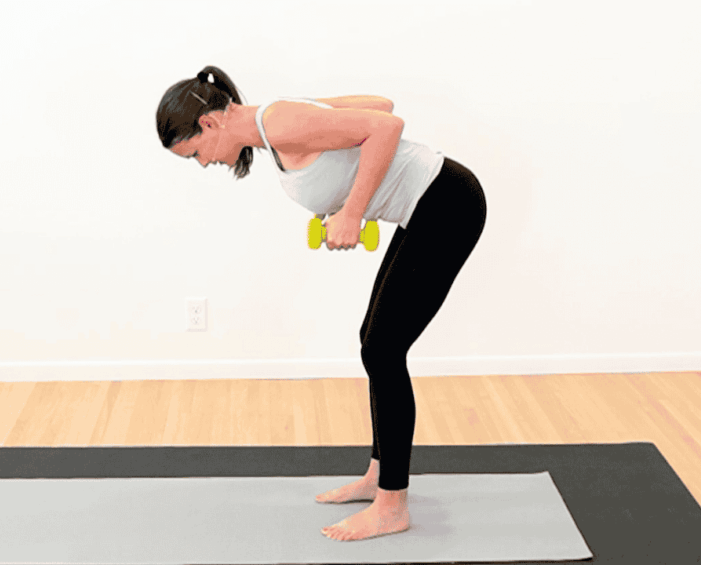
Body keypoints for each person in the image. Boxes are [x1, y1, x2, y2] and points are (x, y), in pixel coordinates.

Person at [156, 65, 487, 542]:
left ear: (209, 123)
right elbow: (380, 104)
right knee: (373, 343)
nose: (204, 163)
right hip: (428, 206)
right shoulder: (282, 122)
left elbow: (388, 127)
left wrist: (352, 211)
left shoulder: (282, 122)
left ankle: (393, 506)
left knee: (383, 350)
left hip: (447, 203)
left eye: (195, 154)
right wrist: (318, 112)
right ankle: (381, 475)